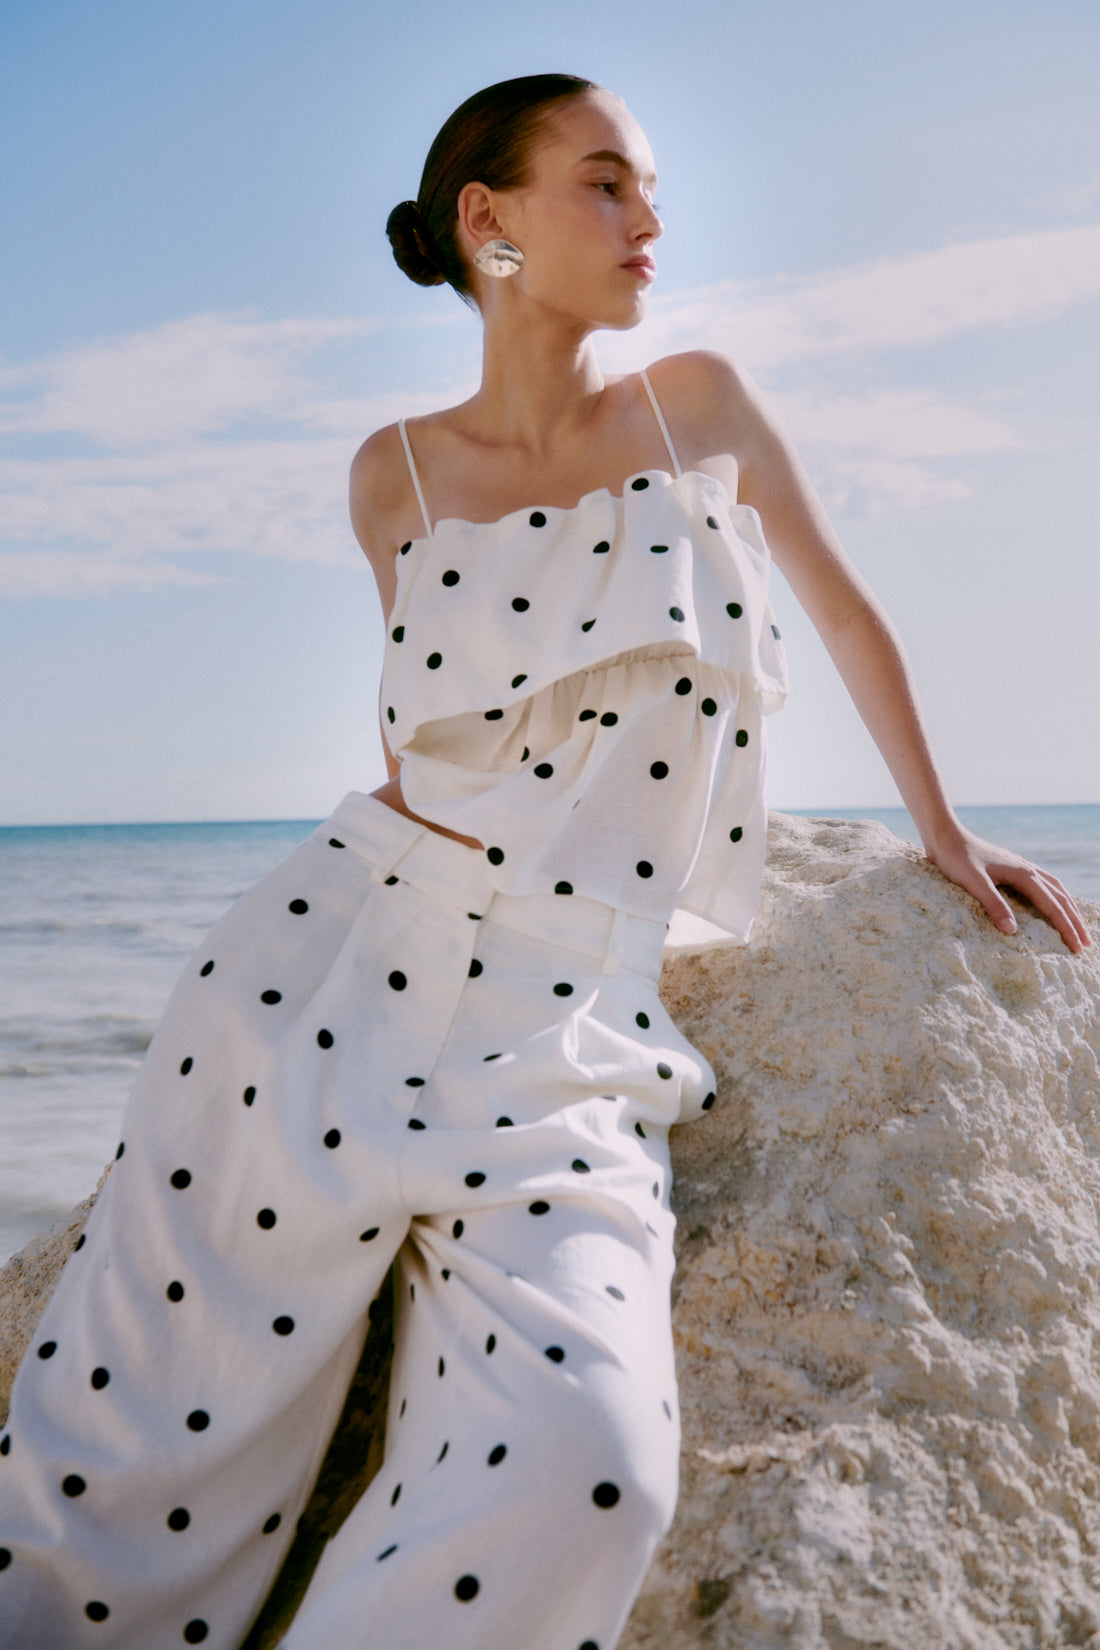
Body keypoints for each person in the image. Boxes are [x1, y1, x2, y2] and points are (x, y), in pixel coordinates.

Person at [0, 71, 1089, 1650]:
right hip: (316, 982)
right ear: (488, 224)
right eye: (607, 184)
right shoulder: (395, 474)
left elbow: (849, 613)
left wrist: (942, 824)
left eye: (651, 189)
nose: (651, 219)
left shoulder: (692, 407)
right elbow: (413, 751)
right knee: (116, 1476)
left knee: (592, 1466)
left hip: (567, 1026)